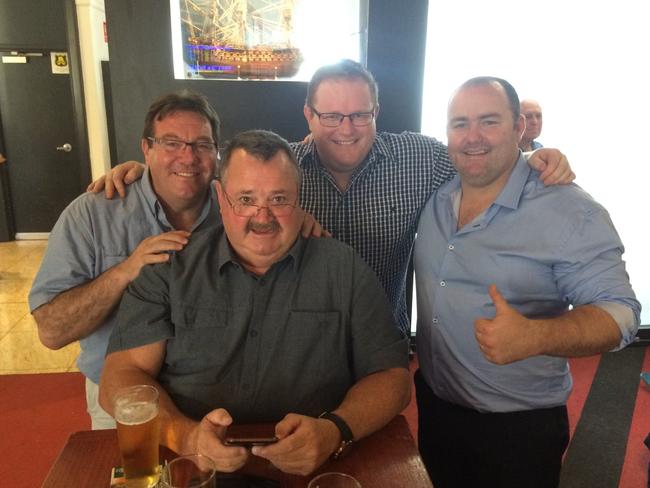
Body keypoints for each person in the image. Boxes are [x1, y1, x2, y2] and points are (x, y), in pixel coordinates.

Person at [89, 60, 574, 336]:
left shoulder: (421, 159)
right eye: (332, 116)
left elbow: (479, 159)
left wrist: (532, 157)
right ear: (308, 115)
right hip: (295, 339)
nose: (346, 129)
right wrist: (142, 168)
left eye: (359, 115)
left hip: (380, 340)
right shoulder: (280, 168)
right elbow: (209, 177)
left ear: (376, 112)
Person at [98, 130, 410, 476]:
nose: (263, 217)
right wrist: (186, 437)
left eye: (278, 199)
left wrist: (336, 429)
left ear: (298, 198)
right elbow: (121, 377)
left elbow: (392, 378)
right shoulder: (170, 268)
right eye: (246, 199)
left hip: (319, 465)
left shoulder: (344, 268)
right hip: (191, 462)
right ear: (220, 196)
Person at [413, 76, 640, 488]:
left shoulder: (571, 211)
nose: (473, 137)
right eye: (459, 123)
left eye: (489, 121)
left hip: (516, 429)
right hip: (435, 406)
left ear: (520, 127)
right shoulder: (438, 193)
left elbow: (621, 313)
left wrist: (536, 336)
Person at [29, 90, 222, 429]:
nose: (188, 157)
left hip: (217, 395)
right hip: (123, 398)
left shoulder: (235, 211)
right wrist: (125, 271)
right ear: (146, 148)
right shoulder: (92, 214)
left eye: (202, 145)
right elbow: (52, 331)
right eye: (171, 143)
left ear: (216, 153)